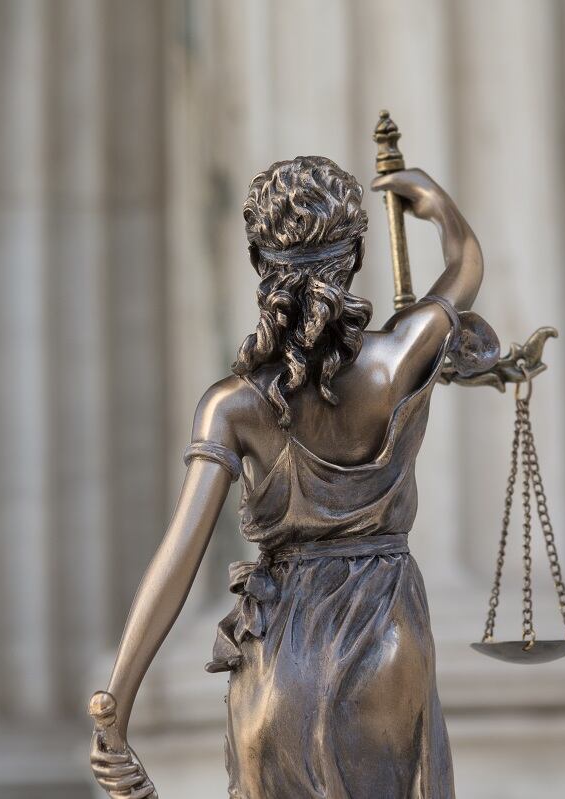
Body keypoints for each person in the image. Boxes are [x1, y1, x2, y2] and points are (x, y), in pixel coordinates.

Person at [89, 156, 482, 799]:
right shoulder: (401, 355)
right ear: (356, 255)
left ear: (257, 261)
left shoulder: (232, 406)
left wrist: (116, 706)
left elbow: (178, 558)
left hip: (281, 662)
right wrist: (436, 205)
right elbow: (465, 267)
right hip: (389, 645)